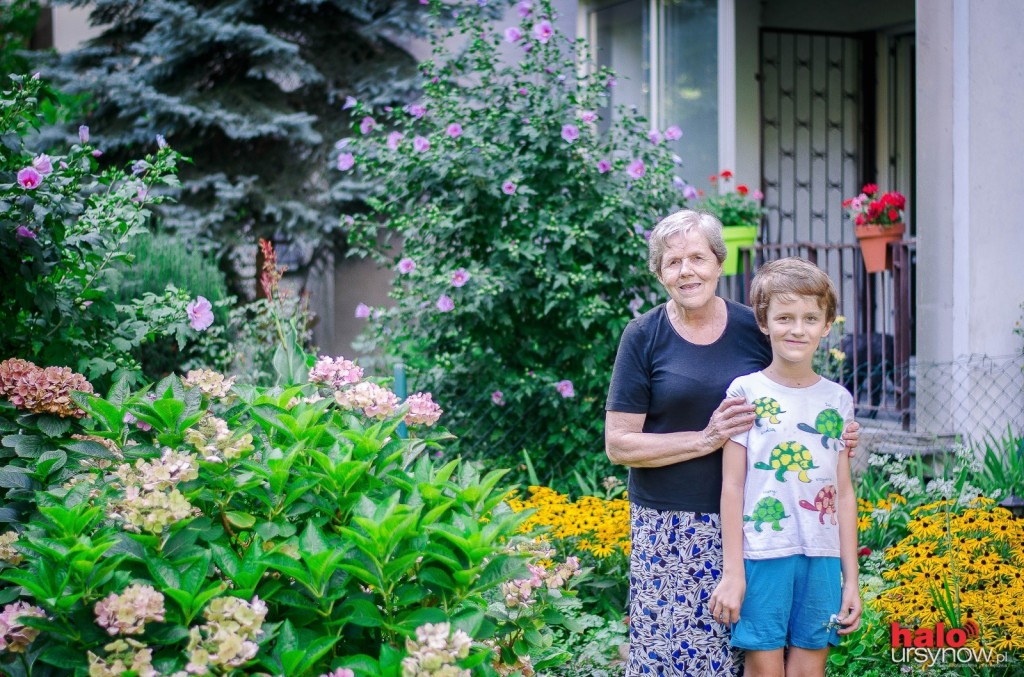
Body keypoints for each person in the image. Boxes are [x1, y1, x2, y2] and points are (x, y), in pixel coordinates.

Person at [605, 210, 859, 677]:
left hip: (759, 527)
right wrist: (706, 438)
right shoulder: (643, 335)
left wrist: (835, 434)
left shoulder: (756, 326)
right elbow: (619, 445)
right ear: (659, 273)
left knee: (744, 654)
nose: (687, 271)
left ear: (719, 262)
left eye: (698, 257)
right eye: (673, 262)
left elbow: (794, 390)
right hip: (670, 530)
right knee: (668, 654)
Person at [708, 257, 862, 677]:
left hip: (823, 558)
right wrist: (733, 571)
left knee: (810, 671)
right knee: (764, 670)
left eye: (811, 318)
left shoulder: (839, 400)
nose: (798, 329)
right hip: (764, 555)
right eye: (785, 317)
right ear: (764, 322)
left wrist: (852, 579)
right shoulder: (745, 391)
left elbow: (844, 493)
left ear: (827, 325)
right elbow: (733, 486)